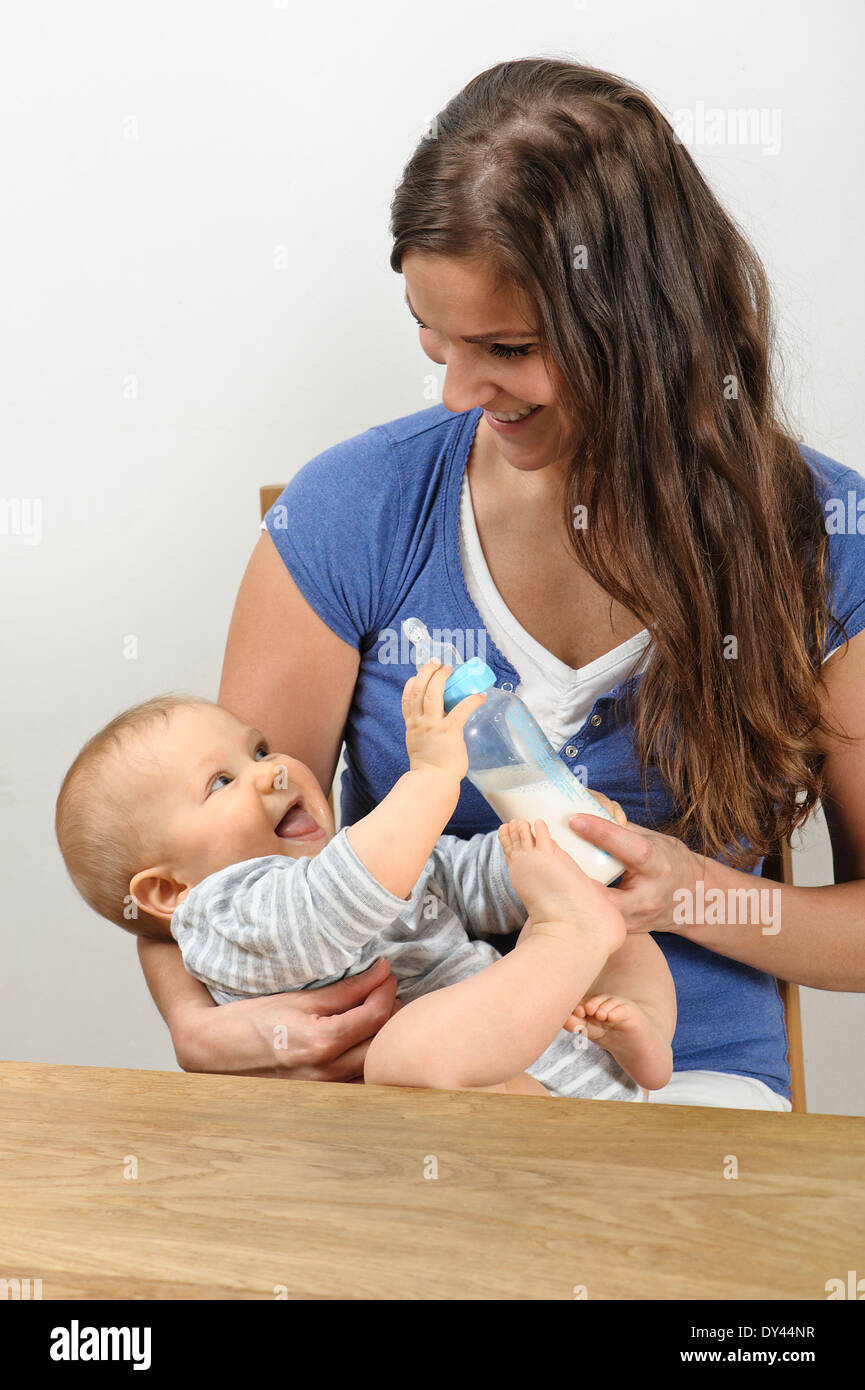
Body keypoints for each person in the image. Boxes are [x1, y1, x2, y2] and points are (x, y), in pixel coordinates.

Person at [135, 58, 865, 1110]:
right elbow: (208, 859)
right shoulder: (352, 511)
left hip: (682, 1078)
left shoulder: (824, 545)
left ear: (646, 328)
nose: (457, 391)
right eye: (433, 338)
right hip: (412, 1082)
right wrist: (194, 1021)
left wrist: (688, 893)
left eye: (508, 348)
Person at [53, 670, 676, 1100]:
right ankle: (572, 939)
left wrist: (556, 847)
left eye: (260, 750)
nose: (273, 772)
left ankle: (642, 1028)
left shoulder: (361, 857)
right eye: (221, 782)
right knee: (401, 1056)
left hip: (569, 1046)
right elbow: (330, 904)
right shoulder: (226, 919)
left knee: (604, 909)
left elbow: (463, 876)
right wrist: (430, 778)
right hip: (491, 1096)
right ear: (169, 893)